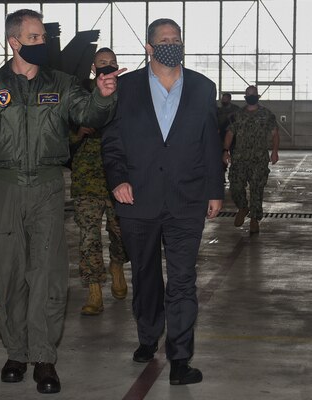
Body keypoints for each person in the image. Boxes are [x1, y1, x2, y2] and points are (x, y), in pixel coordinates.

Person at [0, 9, 123, 395]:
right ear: (14, 42)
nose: (42, 44)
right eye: (34, 38)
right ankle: (16, 351)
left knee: (46, 273)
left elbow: (87, 113)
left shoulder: (61, 84)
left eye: (43, 37)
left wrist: (103, 95)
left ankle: (44, 357)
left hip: (47, 184)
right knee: (9, 274)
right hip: (5, 184)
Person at [102, 18, 224, 385]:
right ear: (149, 48)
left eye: (177, 39)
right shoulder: (125, 87)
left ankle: (181, 358)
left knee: (184, 279)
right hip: (137, 197)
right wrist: (117, 179)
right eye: (164, 40)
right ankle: (147, 335)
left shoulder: (203, 87)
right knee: (145, 274)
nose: (172, 44)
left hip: (187, 198)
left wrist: (215, 189)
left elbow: (210, 141)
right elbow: (111, 141)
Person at [70, 47, 129, 316]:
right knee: (88, 237)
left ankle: (117, 266)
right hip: (86, 177)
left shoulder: (127, 94)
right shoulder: (79, 95)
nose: (107, 66)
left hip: (117, 177)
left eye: (112, 62)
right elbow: (59, 135)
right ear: (93, 69)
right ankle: (94, 289)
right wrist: (77, 133)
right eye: (102, 63)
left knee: (120, 233)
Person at [222, 85, 279, 234]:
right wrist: (225, 150)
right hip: (239, 158)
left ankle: (254, 219)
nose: (251, 96)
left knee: (256, 190)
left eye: (253, 94)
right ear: (245, 97)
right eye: (248, 94)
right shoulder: (238, 115)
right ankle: (243, 207)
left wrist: (274, 151)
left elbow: (274, 134)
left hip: (259, 159)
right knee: (235, 187)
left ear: (257, 96)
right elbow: (229, 133)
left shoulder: (267, 114)